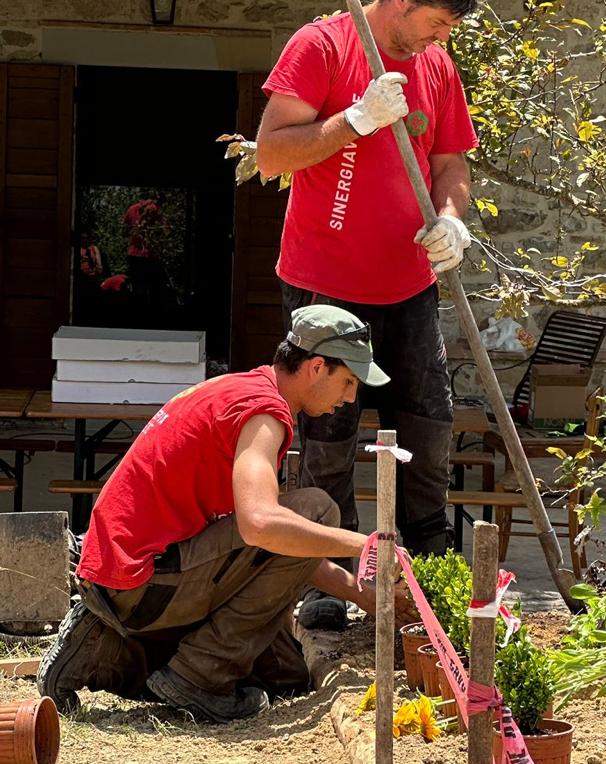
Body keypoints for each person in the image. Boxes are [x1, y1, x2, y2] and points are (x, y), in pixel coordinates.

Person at [255, 0, 485, 632]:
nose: (443, 38)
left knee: (428, 417)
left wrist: (451, 220)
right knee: (328, 429)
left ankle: (429, 565)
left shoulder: (437, 66)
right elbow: (271, 152)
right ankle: (327, 577)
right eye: (438, 21)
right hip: (325, 281)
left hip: (408, 279)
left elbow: (452, 165)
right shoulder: (323, 46)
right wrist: (352, 121)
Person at [38, 306, 406, 725]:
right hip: (142, 579)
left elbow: (277, 552)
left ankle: (104, 651)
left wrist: (361, 594)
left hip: (125, 574)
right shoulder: (266, 415)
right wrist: (367, 544)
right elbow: (261, 525)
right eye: (348, 381)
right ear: (317, 367)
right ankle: (197, 676)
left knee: (286, 676)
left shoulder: (240, 388)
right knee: (318, 510)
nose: (350, 398)